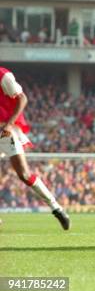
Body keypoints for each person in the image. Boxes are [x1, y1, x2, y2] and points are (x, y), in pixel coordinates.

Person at [0, 66, 70, 230]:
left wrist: (10, 125)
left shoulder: (3, 75)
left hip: (6, 130)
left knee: (24, 175)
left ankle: (56, 208)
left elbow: (22, 98)